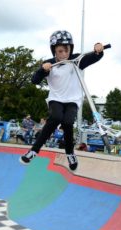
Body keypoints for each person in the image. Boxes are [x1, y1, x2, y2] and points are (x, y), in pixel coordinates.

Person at [20, 30, 107, 171]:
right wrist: (43, 70)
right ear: (54, 51)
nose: (64, 55)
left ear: (70, 49)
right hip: (56, 99)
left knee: (67, 122)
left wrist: (98, 49)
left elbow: (94, 57)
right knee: (55, 117)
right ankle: (34, 151)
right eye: (60, 51)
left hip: (73, 100)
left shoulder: (76, 60)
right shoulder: (49, 64)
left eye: (66, 51)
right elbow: (34, 80)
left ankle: (70, 153)